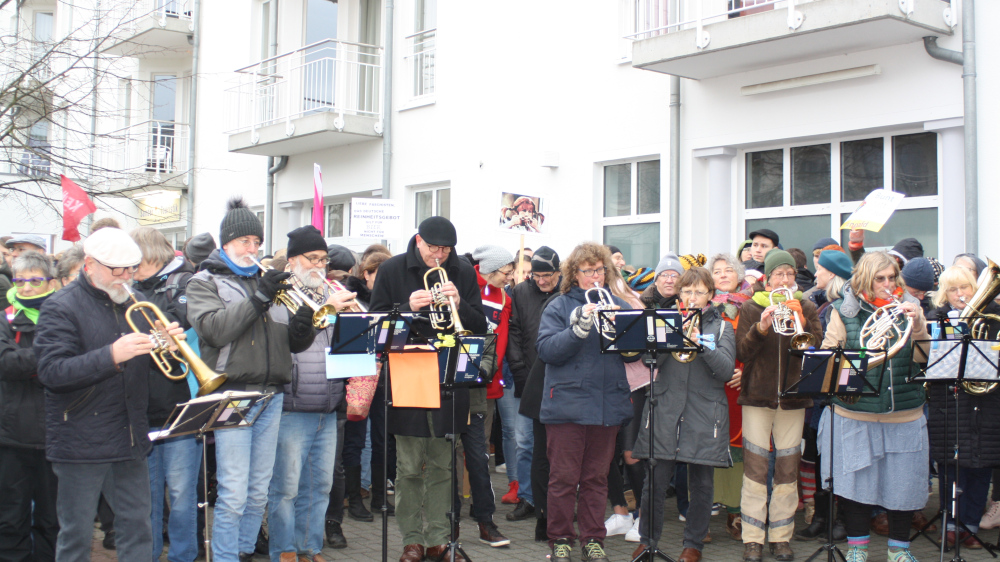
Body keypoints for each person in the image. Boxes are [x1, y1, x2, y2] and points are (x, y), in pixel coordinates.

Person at [34, 227, 186, 561]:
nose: (126, 277)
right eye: (118, 270)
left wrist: (170, 347)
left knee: (138, 530)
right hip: (79, 438)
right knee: (75, 535)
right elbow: (51, 372)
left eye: (132, 269)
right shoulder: (60, 306)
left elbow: (157, 367)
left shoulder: (137, 302)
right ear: (90, 264)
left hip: (129, 435)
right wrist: (111, 355)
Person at [186, 197, 319, 562]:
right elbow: (214, 330)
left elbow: (292, 343)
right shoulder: (204, 282)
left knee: (259, 489)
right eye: (245, 241)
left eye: (257, 242)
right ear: (225, 243)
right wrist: (260, 298)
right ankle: (227, 556)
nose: (253, 248)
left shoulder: (270, 282)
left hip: (272, 394)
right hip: (231, 393)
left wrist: (303, 325)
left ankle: (244, 551)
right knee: (233, 490)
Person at [368, 216, 487, 562]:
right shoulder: (391, 270)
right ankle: (412, 540)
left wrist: (460, 304)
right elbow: (375, 326)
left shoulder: (462, 271)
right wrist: (408, 308)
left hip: (450, 372)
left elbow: (478, 325)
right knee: (408, 466)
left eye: (446, 250)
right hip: (408, 373)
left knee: (442, 464)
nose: (440, 255)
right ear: (418, 241)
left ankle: (439, 538)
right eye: (433, 248)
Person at [819, 251, 929, 562]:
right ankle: (857, 549)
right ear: (865, 280)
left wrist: (917, 322)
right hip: (856, 413)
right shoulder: (844, 310)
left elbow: (924, 359)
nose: (887, 284)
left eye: (892, 278)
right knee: (855, 484)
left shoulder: (910, 309)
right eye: (880, 279)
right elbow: (829, 356)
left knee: (903, 484)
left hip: (903, 413)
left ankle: (899, 551)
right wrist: (864, 358)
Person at [536, 242, 636, 562]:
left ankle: (593, 539)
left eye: (599, 270)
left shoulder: (619, 305)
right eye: (587, 270)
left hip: (606, 405)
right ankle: (561, 539)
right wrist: (576, 329)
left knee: (595, 478)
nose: (595, 276)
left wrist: (626, 330)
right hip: (567, 405)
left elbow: (634, 354)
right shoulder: (559, 306)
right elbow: (548, 351)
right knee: (564, 479)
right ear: (573, 274)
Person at [631, 267, 736, 562]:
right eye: (687, 291)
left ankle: (693, 545)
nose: (692, 297)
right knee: (655, 480)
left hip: (705, 411)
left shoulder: (723, 327)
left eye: (699, 292)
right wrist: (671, 338)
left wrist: (701, 344)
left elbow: (726, 370)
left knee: (701, 483)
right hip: (665, 407)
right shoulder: (665, 322)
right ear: (679, 294)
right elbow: (649, 360)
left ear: (710, 296)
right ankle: (648, 541)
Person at [267, 226, 357, 562]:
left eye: (324, 259)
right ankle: (284, 550)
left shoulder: (329, 293)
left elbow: (342, 351)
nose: (320, 265)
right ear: (292, 261)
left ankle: (309, 547)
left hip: (328, 405)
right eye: (312, 258)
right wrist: (329, 311)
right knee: (286, 488)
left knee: (319, 486)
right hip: (293, 403)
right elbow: (290, 340)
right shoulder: (279, 295)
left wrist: (353, 324)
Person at [735, 249, 824, 562]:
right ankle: (752, 539)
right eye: (778, 274)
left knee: (787, 470)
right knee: (755, 471)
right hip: (757, 397)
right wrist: (760, 327)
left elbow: (816, 346)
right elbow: (743, 353)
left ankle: (781, 537)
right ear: (767, 278)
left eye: (789, 274)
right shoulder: (750, 306)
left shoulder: (807, 305)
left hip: (794, 397)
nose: (785, 279)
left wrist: (803, 323)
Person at [130, 226, 201, 562]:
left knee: (183, 495)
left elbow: (180, 320)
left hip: (179, 406)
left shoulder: (184, 282)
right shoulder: (128, 289)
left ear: (151, 256)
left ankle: (183, 557)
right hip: (140, 406)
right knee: (146, 497)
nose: (129, 268)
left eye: (134, 260)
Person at [926, 266, 1000, 549]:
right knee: (950, 469)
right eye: (954, 289)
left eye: (965, 288)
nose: (960, 294)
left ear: (975, 289)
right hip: (950, 402)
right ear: (945, 293)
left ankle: (971, 527)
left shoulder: (994, 319)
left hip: (986, 403)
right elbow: (930, 362)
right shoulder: (937, 320)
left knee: (980, 467)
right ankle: (951, 525)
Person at [0, 251, 60, 560]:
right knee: (11, 519)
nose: (25, 288)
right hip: (12, 435)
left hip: (56, 432)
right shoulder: (4, 317)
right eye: (20, 281)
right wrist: (48, 355)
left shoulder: (63, 314)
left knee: (52, 520)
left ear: (50, 282)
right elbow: (6, 364)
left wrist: (33, 364)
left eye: (34, 281)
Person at [463, 244, 513, 547]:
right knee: (453, 455)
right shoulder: (465, 284)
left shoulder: (503, 296)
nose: (510, 277)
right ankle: (451, 512)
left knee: (479, 454)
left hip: (487, 382)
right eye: (506, 272)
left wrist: (492, 372)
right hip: (456, 381)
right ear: (489, 268)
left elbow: (502, 338)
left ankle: (483, 516)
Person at [512, 247, 562, 540]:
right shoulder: (521, 292)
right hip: (529, 377)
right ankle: (531, 501)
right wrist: (519, 371)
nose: (541, 281)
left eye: (547, 276)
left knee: (558, 451)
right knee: (527, 444)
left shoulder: (565, 293)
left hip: (558, 382)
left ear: (558, 273)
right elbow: (515, 332)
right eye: (537, 275)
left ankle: (559, 506)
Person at [709, 253, 752, 541]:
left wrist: (746, 373)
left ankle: (735, 513)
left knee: (738, 453)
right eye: (717, 271)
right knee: (705, 448)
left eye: (729, 270)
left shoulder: (754, 307)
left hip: (740, 387)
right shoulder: (704, 307)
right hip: (710, 385)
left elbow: (760, 347)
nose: (723, 274)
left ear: (739, 275)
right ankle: (701, 511)